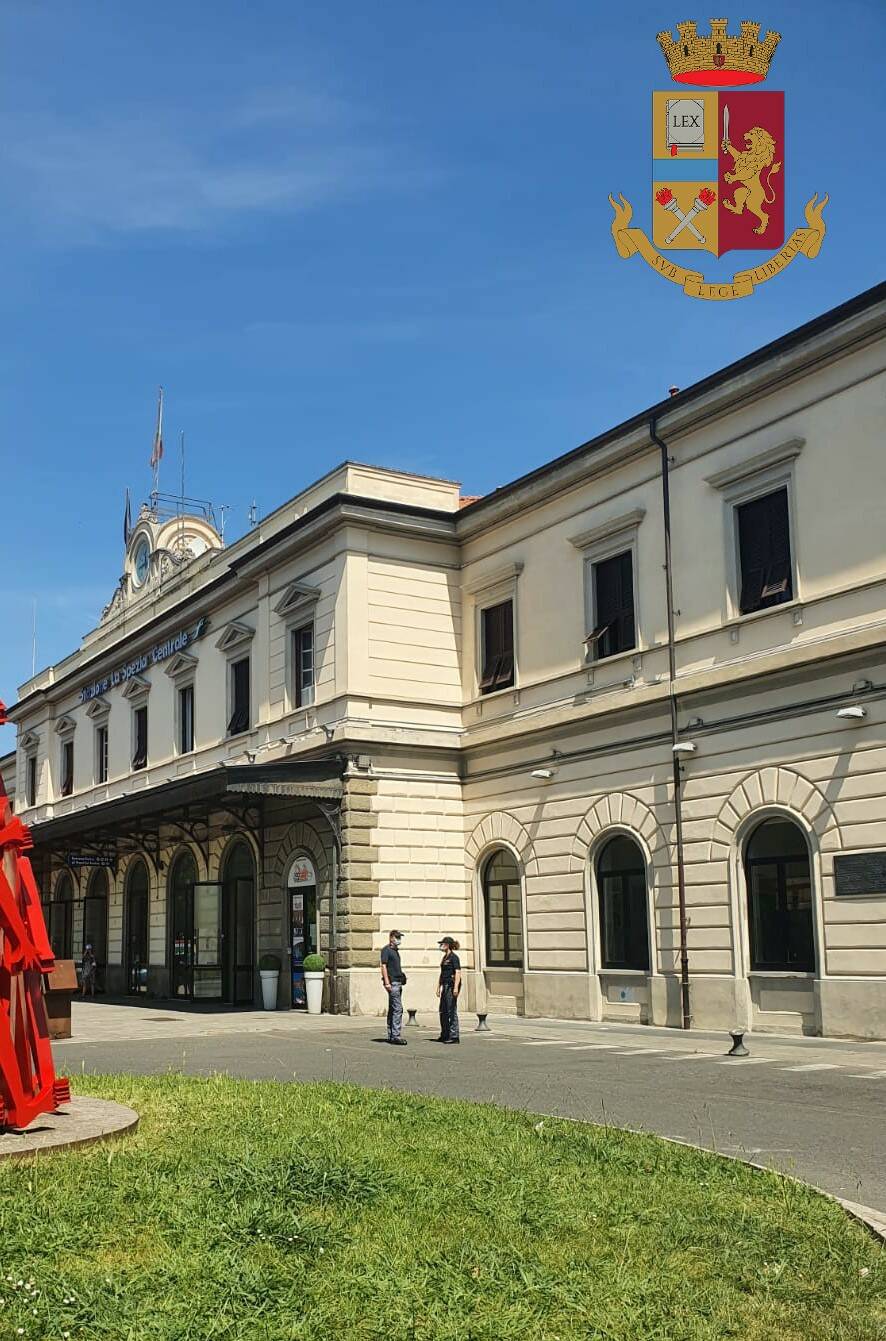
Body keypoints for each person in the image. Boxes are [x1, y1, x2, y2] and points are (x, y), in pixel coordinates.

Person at [380, 929, 407, 1046]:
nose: (399, 939)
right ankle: (395, 1035)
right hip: (393, 983)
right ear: (391, 937)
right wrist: (387, 982)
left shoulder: (395, 951)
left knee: (393, 1009)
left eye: (399, 937)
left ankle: (391, 1034)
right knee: (398, 1009)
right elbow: (383, 966)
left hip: (398, 982)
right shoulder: (387, 950)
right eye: (397, 937)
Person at [435, 936, 461, 1043]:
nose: (441, 946)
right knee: (443, 1011)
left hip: (451, 986)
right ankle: (445, 1034)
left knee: (451, 1011)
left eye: (443, 944)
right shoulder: (444, 958)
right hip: (444, 985)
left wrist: (455, 987)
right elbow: (442, 974)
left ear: (448, 945)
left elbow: (458, 972)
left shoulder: (454, 957)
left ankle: (454, 1035)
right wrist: (438, 987)